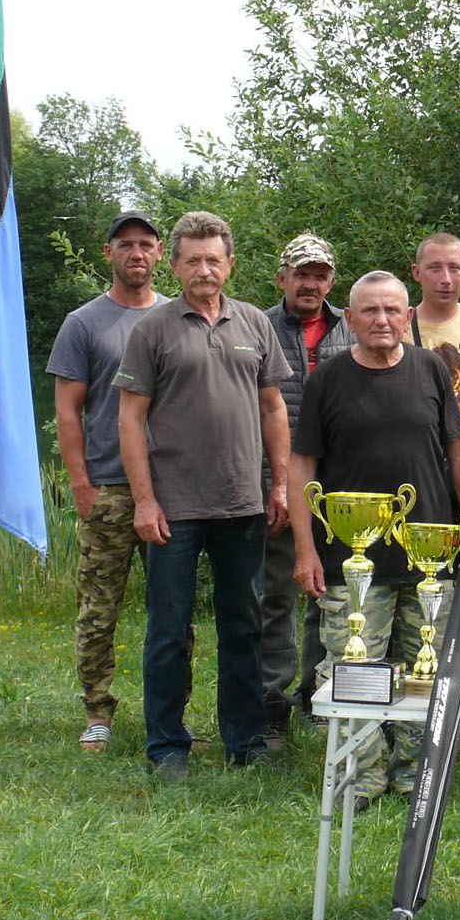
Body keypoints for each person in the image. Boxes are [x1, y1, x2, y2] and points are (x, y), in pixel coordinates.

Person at [289, 270, 460, 810]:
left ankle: (415, 771)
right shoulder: (327, 379)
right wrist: (305, 548)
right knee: (354, 667)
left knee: (425, 664)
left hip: (428, 554)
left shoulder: (429, 369)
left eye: (393, 310)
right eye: (370, 311)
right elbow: (301, 463)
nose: (382, 320)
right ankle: (360, 774)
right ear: (349, 320)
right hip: (350, 559)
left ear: (407, 316)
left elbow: (459, 447)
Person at [114, 211, 292, 777]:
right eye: (192, 260)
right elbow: (129, 419)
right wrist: (144, 500)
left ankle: (246, 743)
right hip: (174, 509)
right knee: (169, 629)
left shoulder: (255, 326)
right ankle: (167, 745)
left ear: (230, 264)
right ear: (176, 264)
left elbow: (273, 407)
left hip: (242, 502)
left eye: (214, 259)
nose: (204, 270)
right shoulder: (154, 329)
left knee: (244, 626)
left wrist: (281, 483)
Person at [47, 211, 170, 752]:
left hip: (171, 490)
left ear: (160, 253)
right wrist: (81, 485)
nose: (136, 253)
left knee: (172, 610)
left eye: (145, 244)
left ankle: (171, 714)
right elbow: (68, 412)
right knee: (99, 609)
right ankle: (98, 710)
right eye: (126, 245)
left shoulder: (177, 315)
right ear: (109, 254)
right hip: (110, 489)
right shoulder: (83, 323)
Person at [261, 233, 353, 741]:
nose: (311, 283)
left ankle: (319, 696)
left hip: (341, 489)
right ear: (282, 279)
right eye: (302, 274)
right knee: (273, 597)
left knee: (333, 593)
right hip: (275, 484)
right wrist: (272, 483)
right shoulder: (259, 326)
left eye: (320, 275)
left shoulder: (354, 325)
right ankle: (272, 700)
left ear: (331, 281)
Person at [407, 231, 460, 465]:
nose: (446, 279)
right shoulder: (399, 331)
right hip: (420, 449)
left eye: (454, 268)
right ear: (416, 272)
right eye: (435, 268)